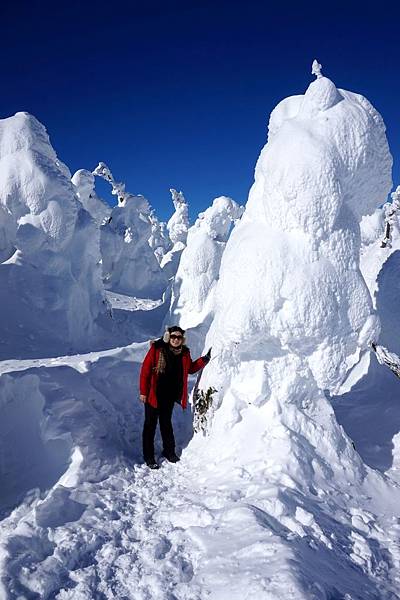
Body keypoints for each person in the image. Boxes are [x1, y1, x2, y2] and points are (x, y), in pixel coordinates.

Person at [139, 326, 211, 469]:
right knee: (150, 426)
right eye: (173, 336)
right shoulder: (157, 349)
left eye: (179, 337)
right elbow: (145, 371)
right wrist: (143, 392)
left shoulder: (184, 353)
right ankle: (149, 457)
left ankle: (169, 452)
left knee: (166, 424)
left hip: (169, 396)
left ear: (182, 340)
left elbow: (190, 369)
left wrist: (204, 360)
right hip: (154, 395)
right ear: (168, 337)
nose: (176, 340)